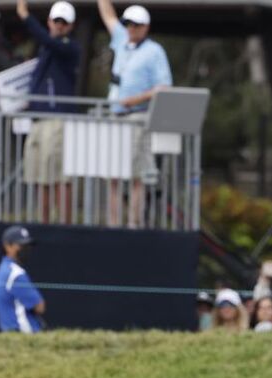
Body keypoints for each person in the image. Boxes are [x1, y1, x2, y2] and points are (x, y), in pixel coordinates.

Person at [96, 1, 172, 228]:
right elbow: (108, 17)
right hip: (115, 117)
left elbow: (163, 87)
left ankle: (134, 223)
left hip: (137, 117)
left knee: (136, 175)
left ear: (146, 27)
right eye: (128, 24)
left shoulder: (154, 51)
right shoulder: (121, 40)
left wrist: (134, 100)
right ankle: (113, 223)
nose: (131, 28)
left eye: (136, 25)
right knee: (113, 174)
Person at [17, 0, 80, 224]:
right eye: (56, 21)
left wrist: (25, 16)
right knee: (39, 176)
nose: (59, 26)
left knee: (59, 176)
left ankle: (63, 224)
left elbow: (46, 39)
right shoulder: (46, 50)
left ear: (71, 26)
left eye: (64, 22)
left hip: (57, 121)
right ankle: (42, 224)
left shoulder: (69, 47)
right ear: (49, 21)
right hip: (38, 121)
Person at [0, 225, 45, 333]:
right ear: (8, 246)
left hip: (12, 333)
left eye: (28, 245)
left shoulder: (3, 268)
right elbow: (39, 306)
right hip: (25, 334)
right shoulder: (15, 273)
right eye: (21, 245)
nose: (26, 249)